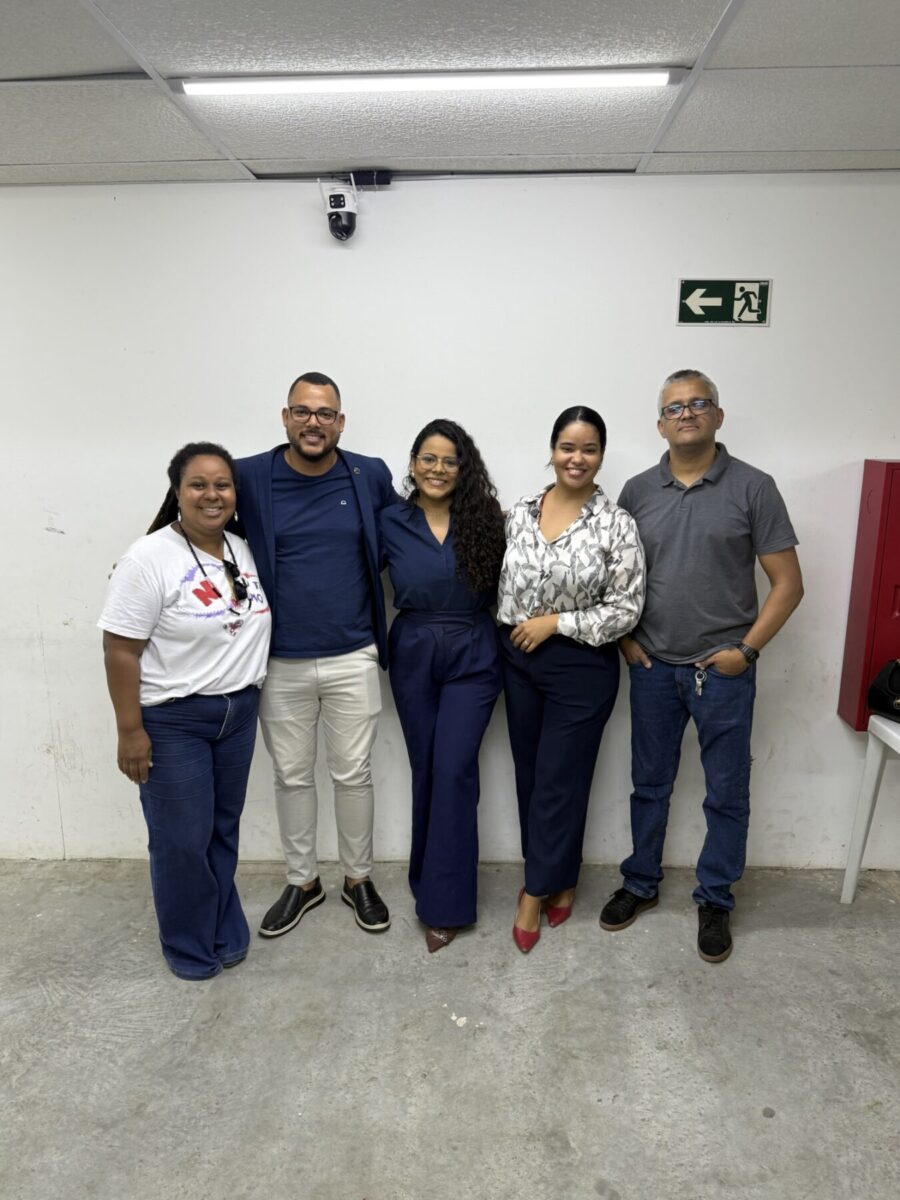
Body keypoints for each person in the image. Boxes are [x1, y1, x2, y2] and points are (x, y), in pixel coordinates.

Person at [601, 368, 803, 963]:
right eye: (674, 407)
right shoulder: (637, 491)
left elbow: (788, 584)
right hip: (652, 667)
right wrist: (624, 640)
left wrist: (746, 651)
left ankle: (715, 898)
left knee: (726, 792)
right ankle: (640, 882)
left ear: (718, 415)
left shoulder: (754, 488)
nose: (686, 413)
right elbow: (614, 577)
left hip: (722, 673)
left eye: (698, 403)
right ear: (659, 424)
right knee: (649, 785)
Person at [99, 443, 272, 980]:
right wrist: (130, 731)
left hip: (238, 712)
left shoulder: (242, 549)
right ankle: (189, 945)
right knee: (180, 840)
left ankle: (222, 926)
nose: (211, 495)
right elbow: (119, 649)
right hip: (174, 721)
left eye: (222, 484)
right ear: (177, 492)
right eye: (198, 485)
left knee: (221, 829)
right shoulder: (148, 558)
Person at [236, 372, 397, 937]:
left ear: (340, 422)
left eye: (325, 413)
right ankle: (303, 881)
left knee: (353, 774)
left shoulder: (369, 474)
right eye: (302, 411)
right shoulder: (249, 475)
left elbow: (401, 535)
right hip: (278, 659)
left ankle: (358, 879)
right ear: (285, 417)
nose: (313, 422)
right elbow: (199, 518)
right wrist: (151, 561)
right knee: (291, 775)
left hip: (353, 652)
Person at [498, 407, 645, 953]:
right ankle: (562, 875)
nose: (576, 458)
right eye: (567, 447)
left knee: (560, 780)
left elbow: (626, 607)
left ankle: (533, 891)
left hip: (581, 666)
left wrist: (556, 623)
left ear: (601, 456)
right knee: (532, 777)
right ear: (552, 450)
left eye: (588, 449)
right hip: (518, 658)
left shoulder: (616, 524)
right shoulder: (520, 512)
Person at [379, 419, 505, 952]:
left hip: (474, 649)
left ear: (462, 467)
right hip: (413, 649)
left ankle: (446, 904)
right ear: (412, 464)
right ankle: (426, 878)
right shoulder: (389, 520)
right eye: (428, 459)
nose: (438, 469)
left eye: (449, 460)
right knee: (427, 768)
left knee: (454, 770)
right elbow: (352, 578)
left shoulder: (486, 518)